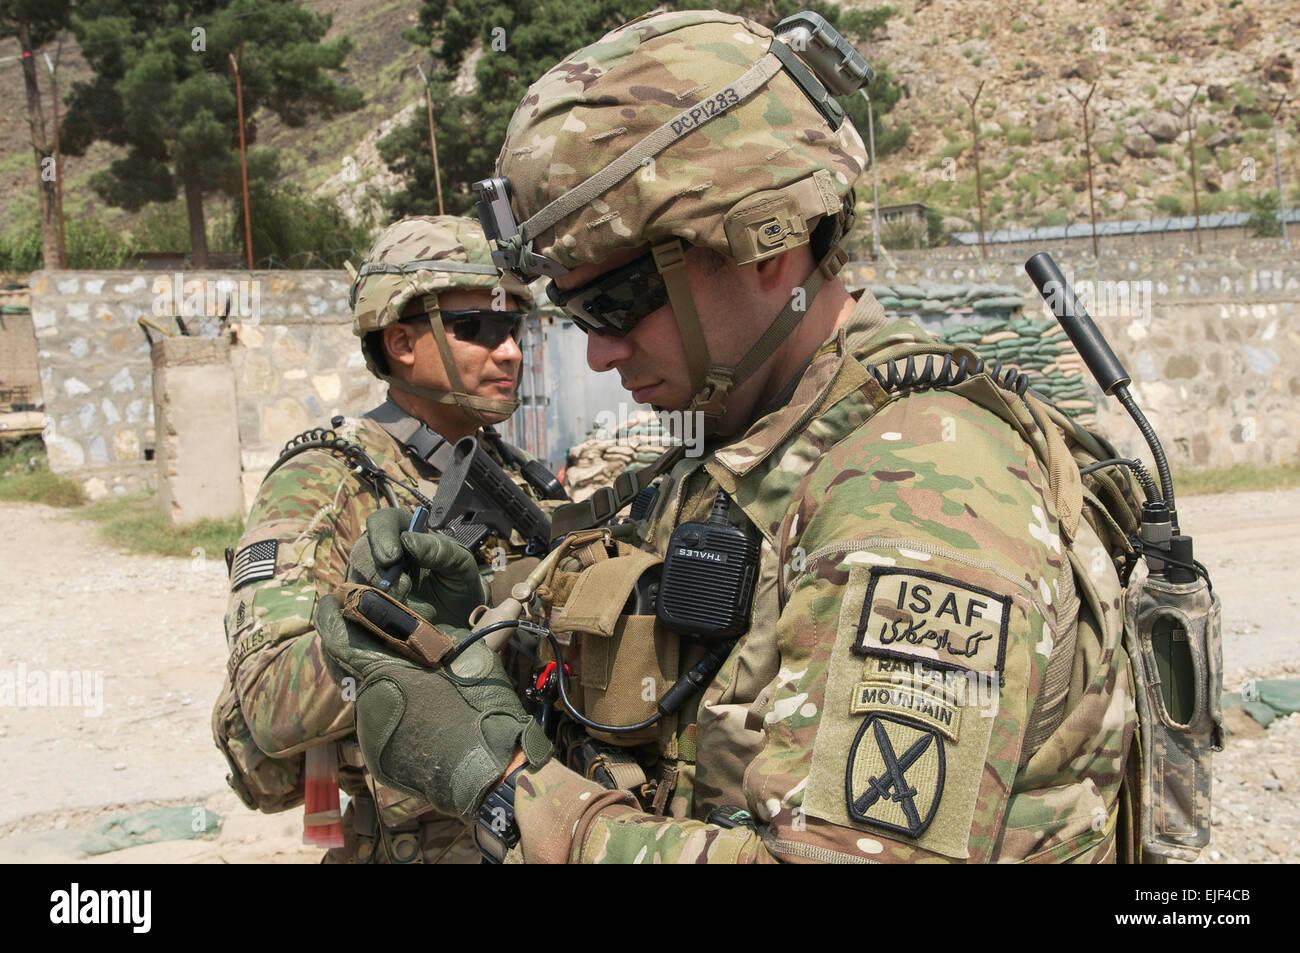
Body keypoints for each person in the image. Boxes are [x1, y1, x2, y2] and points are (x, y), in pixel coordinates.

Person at [319, 10, 1138, 863]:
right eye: (572, 312)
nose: (597, 350)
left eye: (616, 303)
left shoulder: (925, 489)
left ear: (767, 248)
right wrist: (488, 633)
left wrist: (500, 793)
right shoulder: (740, 446)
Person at [214, 215, 556, 863]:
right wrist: (415, 625)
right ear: (401, 340)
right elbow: (266, 703)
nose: (509, 349)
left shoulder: (506, 470)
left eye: (513, 327)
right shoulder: (327, 478)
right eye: (478, 328)